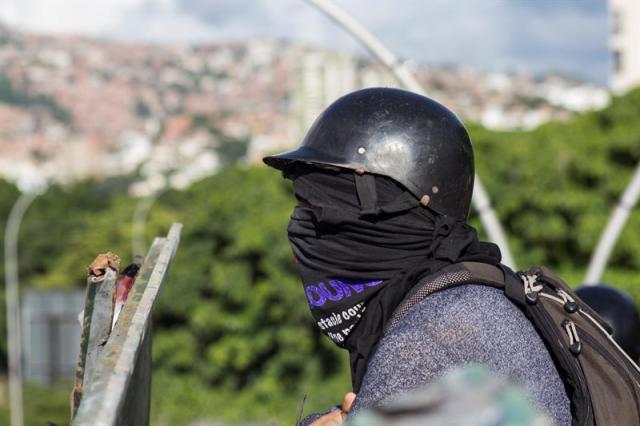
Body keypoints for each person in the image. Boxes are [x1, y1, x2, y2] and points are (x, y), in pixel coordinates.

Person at [263, 87, 571, 425]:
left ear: (382, 217)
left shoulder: (428, 344)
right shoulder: (476, 298)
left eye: (316, 212)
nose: (299, 243)